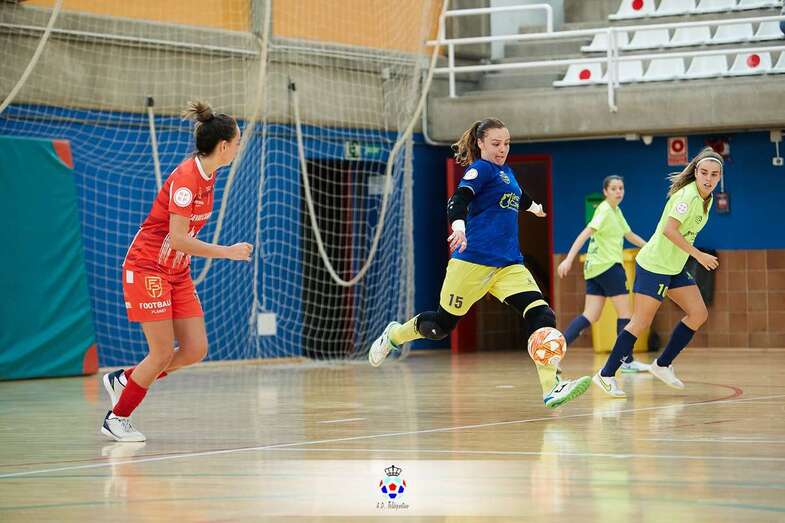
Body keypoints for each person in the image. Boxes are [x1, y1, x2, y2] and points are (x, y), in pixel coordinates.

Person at [368, 118, 591, 409]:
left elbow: (518, 196)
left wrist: (534, 207)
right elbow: (459, 199)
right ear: (481, 143)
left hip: (509, 265)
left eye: (507, 143)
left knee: (541, 313)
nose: (502, 149)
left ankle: (551, 388)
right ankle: (395, 334)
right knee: (440, 326)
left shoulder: (506, 173)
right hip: (472, 262)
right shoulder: (481, 169)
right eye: (496, 144)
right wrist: (458, 226)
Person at [100, 101, 253, 441]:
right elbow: (179, 239)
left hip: (176, 271)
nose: (239, 147)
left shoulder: (209, 175)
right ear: (224, 146)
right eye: (238, 141)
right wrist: (226, 252)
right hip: (148, 267)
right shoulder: (186, 180)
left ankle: (125, 379)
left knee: (195, 349)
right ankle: (117, 417)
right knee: (160, 353)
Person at [593, 147, 722, 398]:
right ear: (696, 172)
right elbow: (669, 231)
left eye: (714, 174)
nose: (708, 178)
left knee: (698, 313)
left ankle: (662, 365)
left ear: (720, 177)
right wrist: (698, 255)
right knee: (640, 322)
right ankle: (606, 375)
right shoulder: (686, 197)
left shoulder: (708, 199)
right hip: (655, 265)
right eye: (704, 172)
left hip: (674, 266)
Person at [557, 175, 649, 373]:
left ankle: (555, 353)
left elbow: (629, 235)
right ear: (605, 191)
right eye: (614, 188)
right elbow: (585, 233)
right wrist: (568, 259)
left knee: (590, 315)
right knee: (625, 314)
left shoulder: (616, 211)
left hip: (593, 269)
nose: (618, 191)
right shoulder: (605, 210)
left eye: (621, 188)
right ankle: (626, 361)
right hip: (609, 266)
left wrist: (648, 247)